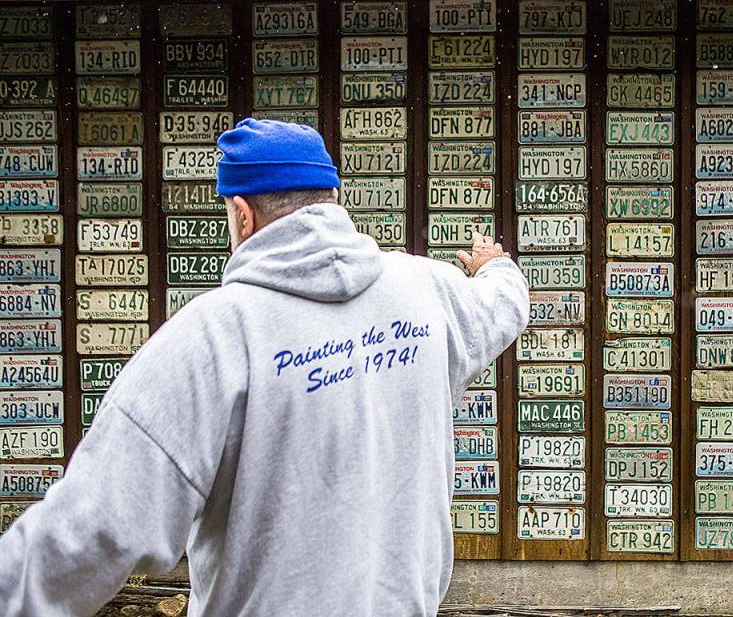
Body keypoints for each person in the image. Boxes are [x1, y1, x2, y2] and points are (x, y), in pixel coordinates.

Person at [0, 118, 530, 615]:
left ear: (242, 214)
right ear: (334, 199)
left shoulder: (212, 339)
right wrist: (496, 266)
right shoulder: (428, 293)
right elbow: (504, 306)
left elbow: (91, 531)